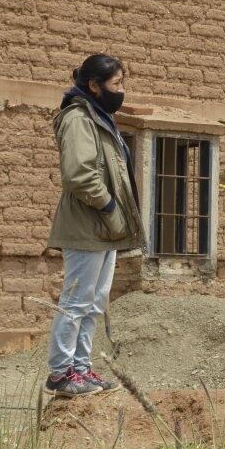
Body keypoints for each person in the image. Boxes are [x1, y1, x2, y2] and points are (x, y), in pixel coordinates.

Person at [45, 54, 145, 397]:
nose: (121, 91)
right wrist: (111, 208)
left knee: (95, 303)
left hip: (104, 229)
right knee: (75, 302)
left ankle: (81, 369)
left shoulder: (100, 116)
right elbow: (79, 174)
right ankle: (60, 372)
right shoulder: (77, 118)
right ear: (93, 85)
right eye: (116, 84)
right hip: (88, 225)